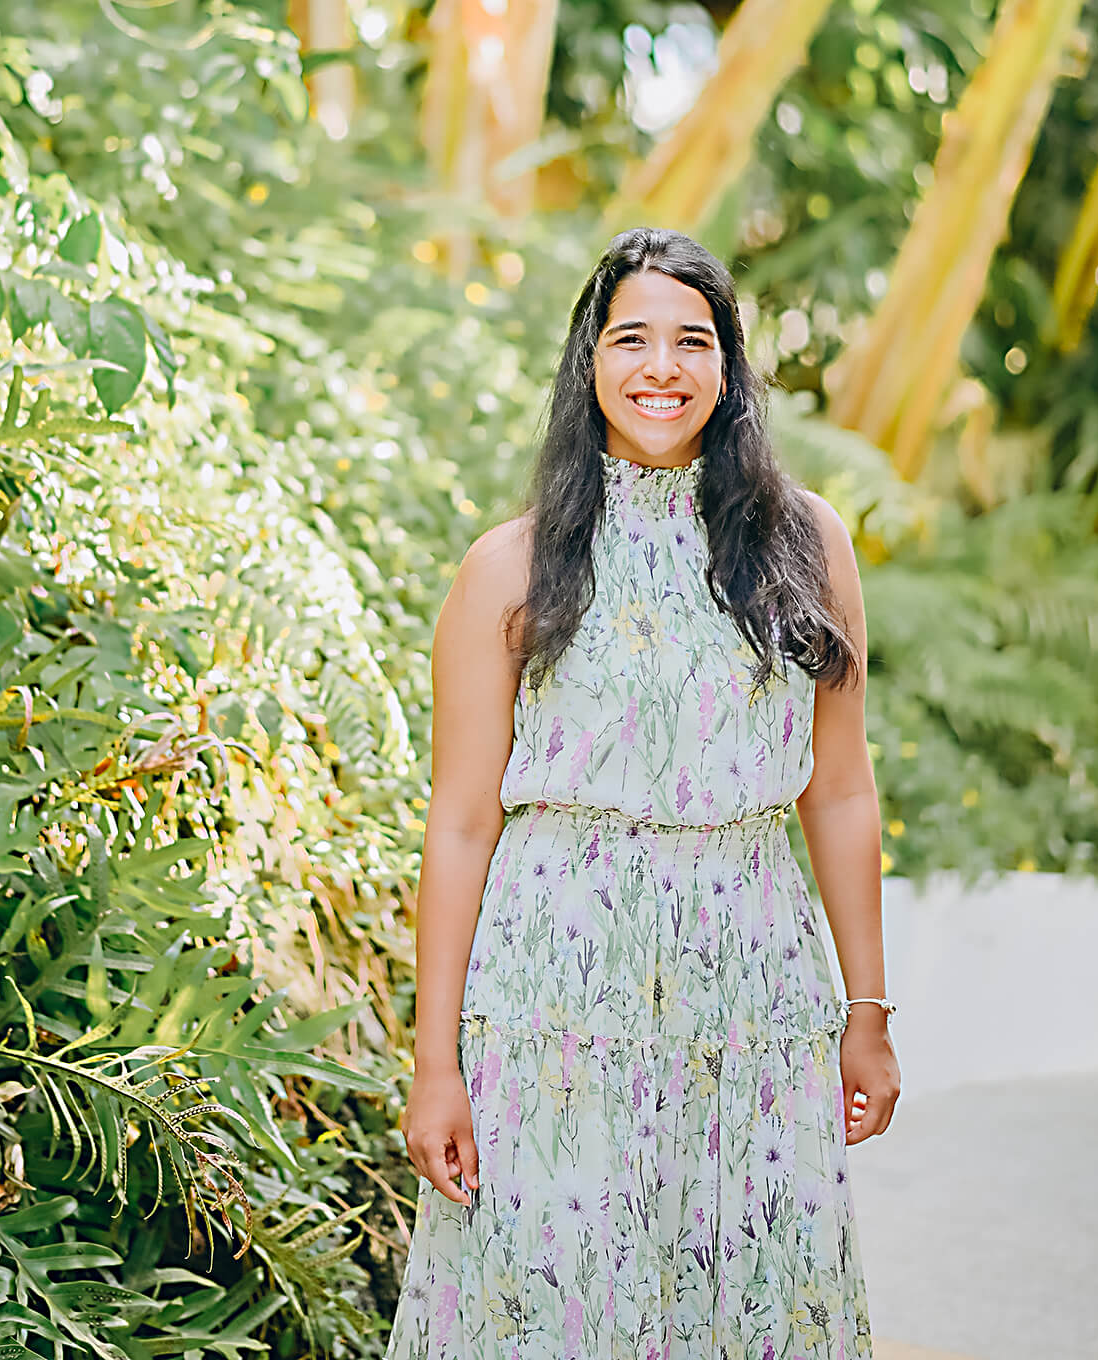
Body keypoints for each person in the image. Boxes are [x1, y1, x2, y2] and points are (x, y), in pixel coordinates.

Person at [384, 227, 900, 1360]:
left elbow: (841, 791)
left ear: (728, 370)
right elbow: (462, 822)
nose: (659, 366)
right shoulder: (508, 566)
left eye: (690, 340)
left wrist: (866, 1016)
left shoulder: (806, 543)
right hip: (552, 1002)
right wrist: (435, 1066)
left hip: (753, 994)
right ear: (587, 362)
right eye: (630, 337)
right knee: (551, 1300)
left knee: (746, 1294)